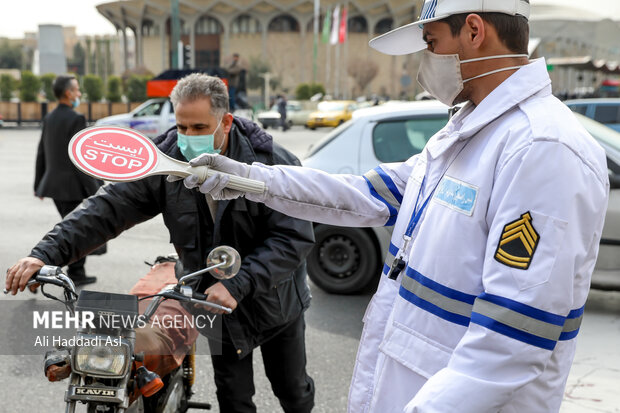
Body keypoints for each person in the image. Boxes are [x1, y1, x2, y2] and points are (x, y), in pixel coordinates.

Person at [175, 1, 610, 412]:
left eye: (432, 42)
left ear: (475, 31)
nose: (426, 60)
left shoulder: (541, 148)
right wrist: (248, 178)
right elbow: (358, 194)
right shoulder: (465, 136)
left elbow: (512, 339)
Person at [6, 73, 316, 413]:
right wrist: (43, 255)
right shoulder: (164, 160)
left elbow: (293, 236)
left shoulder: (272, 162)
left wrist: (240, 283)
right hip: (213, 304)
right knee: (234, 399)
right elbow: (107, 208)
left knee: (293, 392)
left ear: (225, 122)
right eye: (182, 127)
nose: (187, 138)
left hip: (275, 302)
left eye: (199, 128)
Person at [34, 75, 102, 286]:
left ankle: (75, 271)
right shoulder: (76, 119)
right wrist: (95, 188)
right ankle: (43, 271)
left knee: (72, 228)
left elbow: (41, 152)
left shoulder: (50, 117)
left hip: (54, 185)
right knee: (77, 230)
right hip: (73, 186)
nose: (79, 94)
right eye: (77, 90)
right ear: (68, 93)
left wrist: (39, 185)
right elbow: (79, 158)